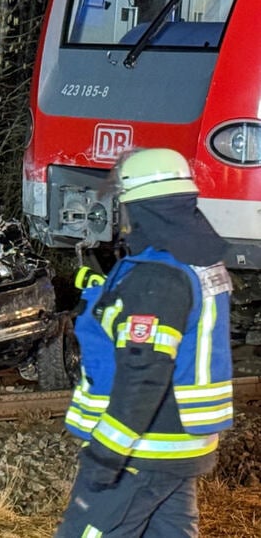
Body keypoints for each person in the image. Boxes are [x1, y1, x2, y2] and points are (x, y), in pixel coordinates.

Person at [55, 148, 234, 538]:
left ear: (140, 208)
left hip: (143, 447)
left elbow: (144, 373)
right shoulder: (196, 258)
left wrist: (107, 454)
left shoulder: (156, 278)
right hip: (180, 446)